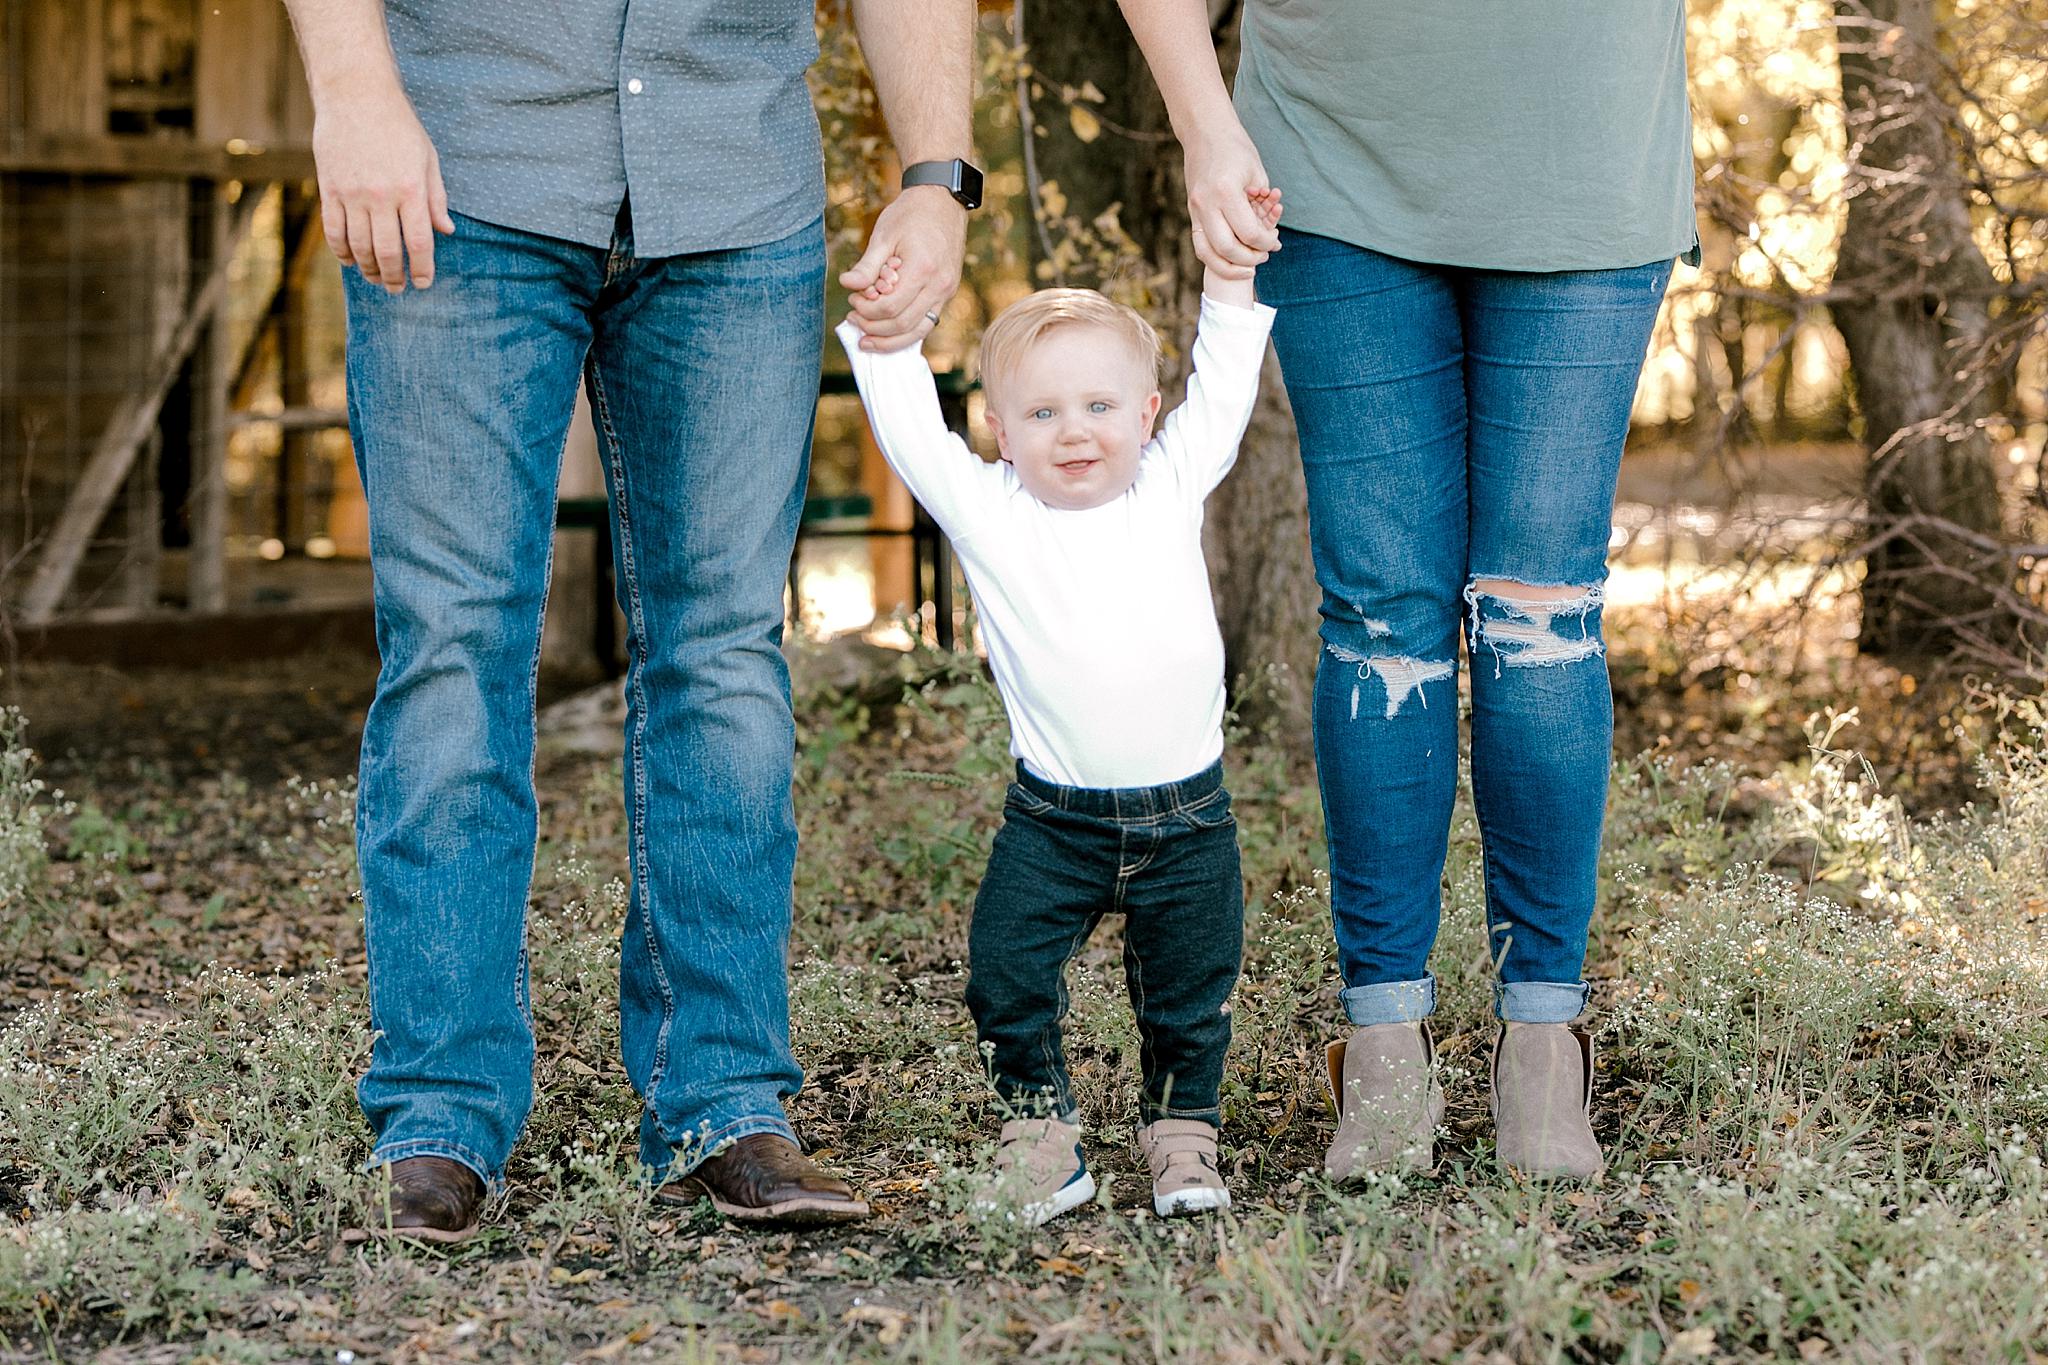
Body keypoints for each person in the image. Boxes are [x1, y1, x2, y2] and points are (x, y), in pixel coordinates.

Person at [280, 0, 977, 1238]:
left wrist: (937, 177)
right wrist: (351, 88)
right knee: (451, 645)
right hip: (457, 172)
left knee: (722, 653)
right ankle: (439, 1110)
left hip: (735, 184)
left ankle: (722, 1100)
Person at [1116, 0, 1698, 1179]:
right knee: (1383, 622)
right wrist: (1204, 124)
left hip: (1584, 169)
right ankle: (1383, 1045)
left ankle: (1542, 1044)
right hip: (1328, 169)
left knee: (1541, 618)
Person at [836, 192, 1279, 1223]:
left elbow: (1224, 387)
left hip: (1189, 821)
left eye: (1096, 408)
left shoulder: (1169, 485)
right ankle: (1041, 1142)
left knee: (1188, 992)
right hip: (1054, 822)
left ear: (1145, 416)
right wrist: (884, 327)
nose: (1071, 433)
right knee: (1004, 973)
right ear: (998, 429)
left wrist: (1229, 278)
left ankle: (1181, 1138)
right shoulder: (991, 512)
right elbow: (907, 429)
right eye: (1039, 414)